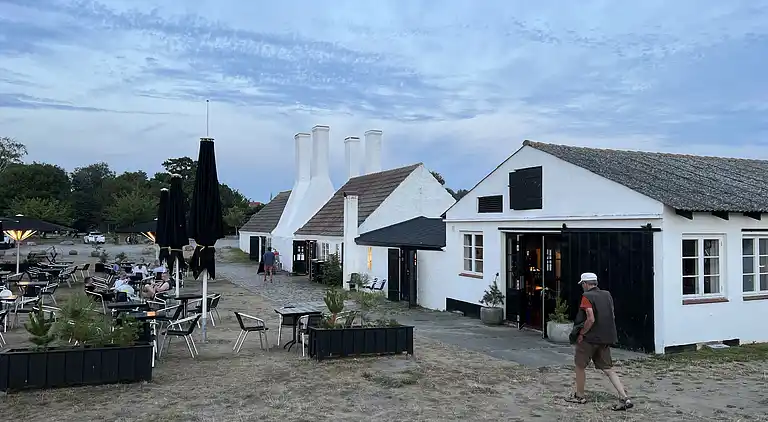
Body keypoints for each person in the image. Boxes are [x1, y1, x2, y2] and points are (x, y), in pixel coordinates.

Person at [567, 272, 633, 411]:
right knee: (608, 369)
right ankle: (624, 397)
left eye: (582, 284)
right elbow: (611, 314)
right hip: (604, 338)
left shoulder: (587, 296)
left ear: (585, 284)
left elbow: (590, 318)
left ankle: (579, 396)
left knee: (580, 366)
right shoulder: (607, 295)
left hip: (589, 339)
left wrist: (581, 334)